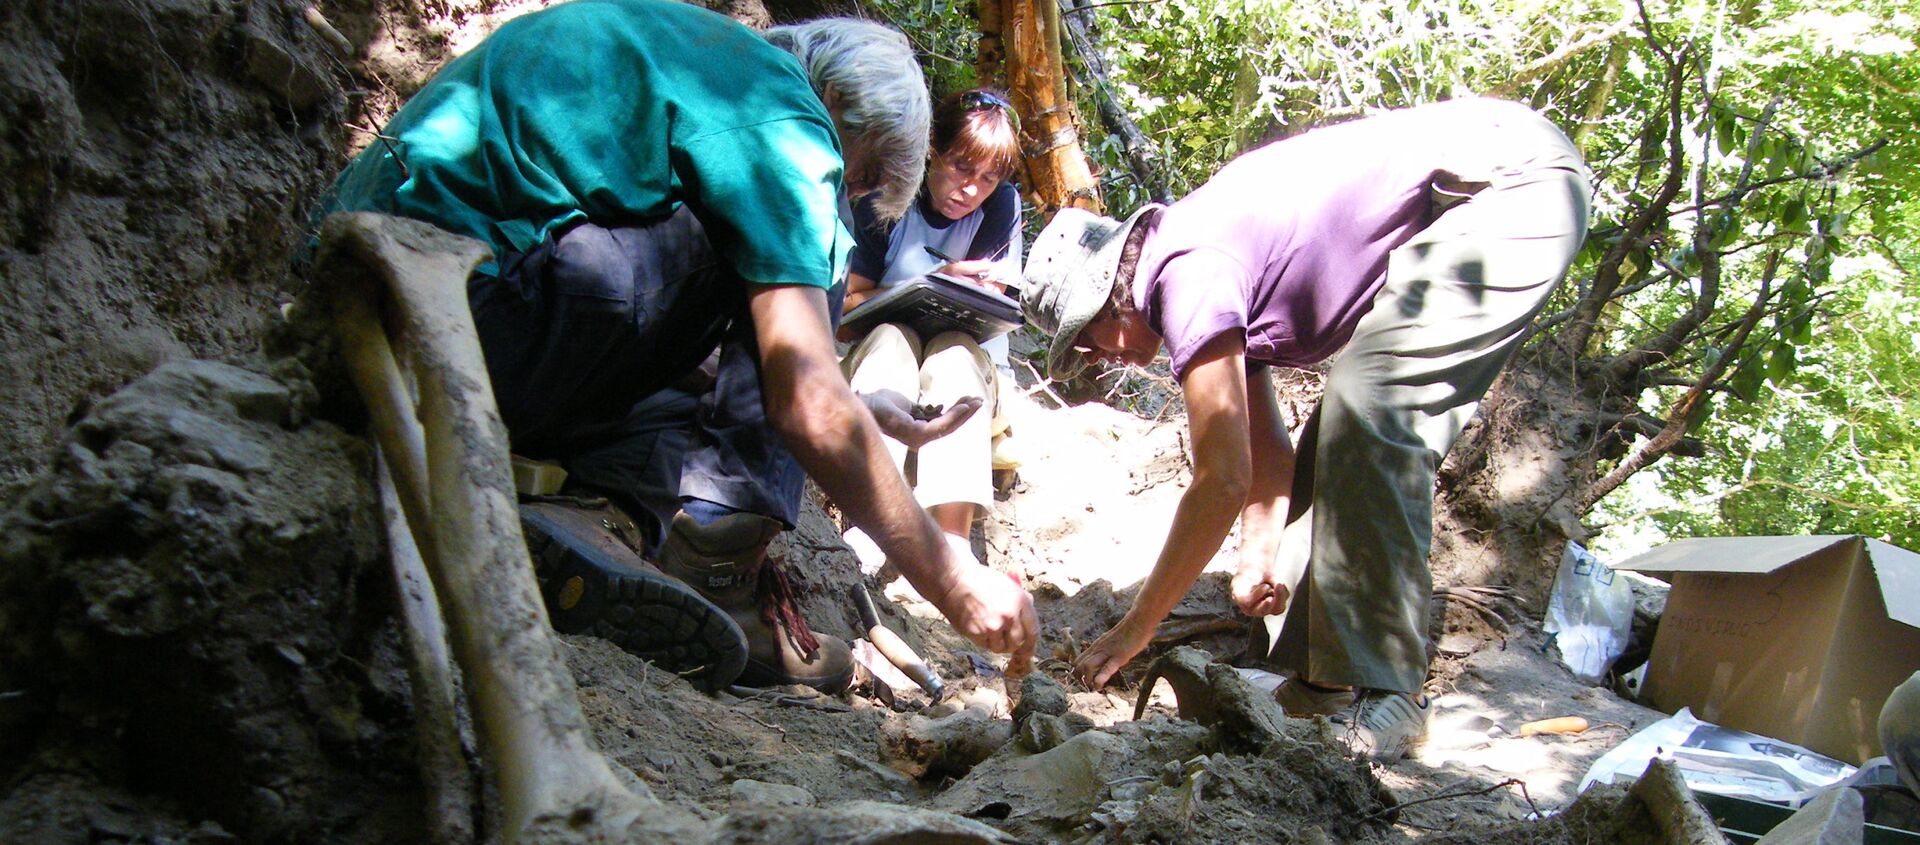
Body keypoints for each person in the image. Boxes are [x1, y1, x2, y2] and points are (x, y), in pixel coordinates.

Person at [316, 0, 1036, 694]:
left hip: (362, 311)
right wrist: (952, 577)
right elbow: (805, 401)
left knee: (741, 309)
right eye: (861, 180)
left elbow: (691, 351)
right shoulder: (786, 122)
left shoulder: (689, 55)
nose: (848, 193)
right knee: (797, 255)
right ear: (850, 123)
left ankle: (597, 514)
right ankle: (717, 574)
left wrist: (851, 396)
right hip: (448, 317)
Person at [1020, 97, 1589, 760]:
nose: (1100, 358)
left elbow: (1220, 480)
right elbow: (1262, 464)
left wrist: (1134, 628)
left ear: (1110, 293)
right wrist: (1257, 559)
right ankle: (1321, 686)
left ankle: (1391, 692)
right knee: (1336, 438)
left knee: (1371, 402)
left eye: (1086, 341)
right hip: (1487, 185)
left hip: (1509, 183)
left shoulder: (1185, 270)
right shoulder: (1199, 279)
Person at [838, 89, 1024, 568]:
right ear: (931, 152)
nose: (971, 190)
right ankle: (869, 525)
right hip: (878, 351)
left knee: (957, 352)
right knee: (890, 341)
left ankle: (953, 541)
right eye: (962, 168)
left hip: (964, 356)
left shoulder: (1000, 207)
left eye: (988, 179)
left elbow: (996, 310)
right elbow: (845, 310)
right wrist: (930, 282)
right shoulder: (888, 196)